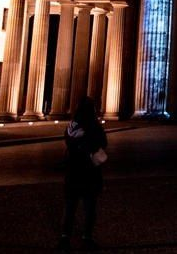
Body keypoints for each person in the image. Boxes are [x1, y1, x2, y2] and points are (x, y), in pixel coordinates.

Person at [58, 96, 107, 250]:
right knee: (89, 208)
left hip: (72, 172)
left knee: (70, 207)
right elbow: (103, 143)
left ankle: (65, 237)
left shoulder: (71, 127)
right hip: (89, 173)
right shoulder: (94, 126)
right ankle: (87, 237)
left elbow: (69, 143)